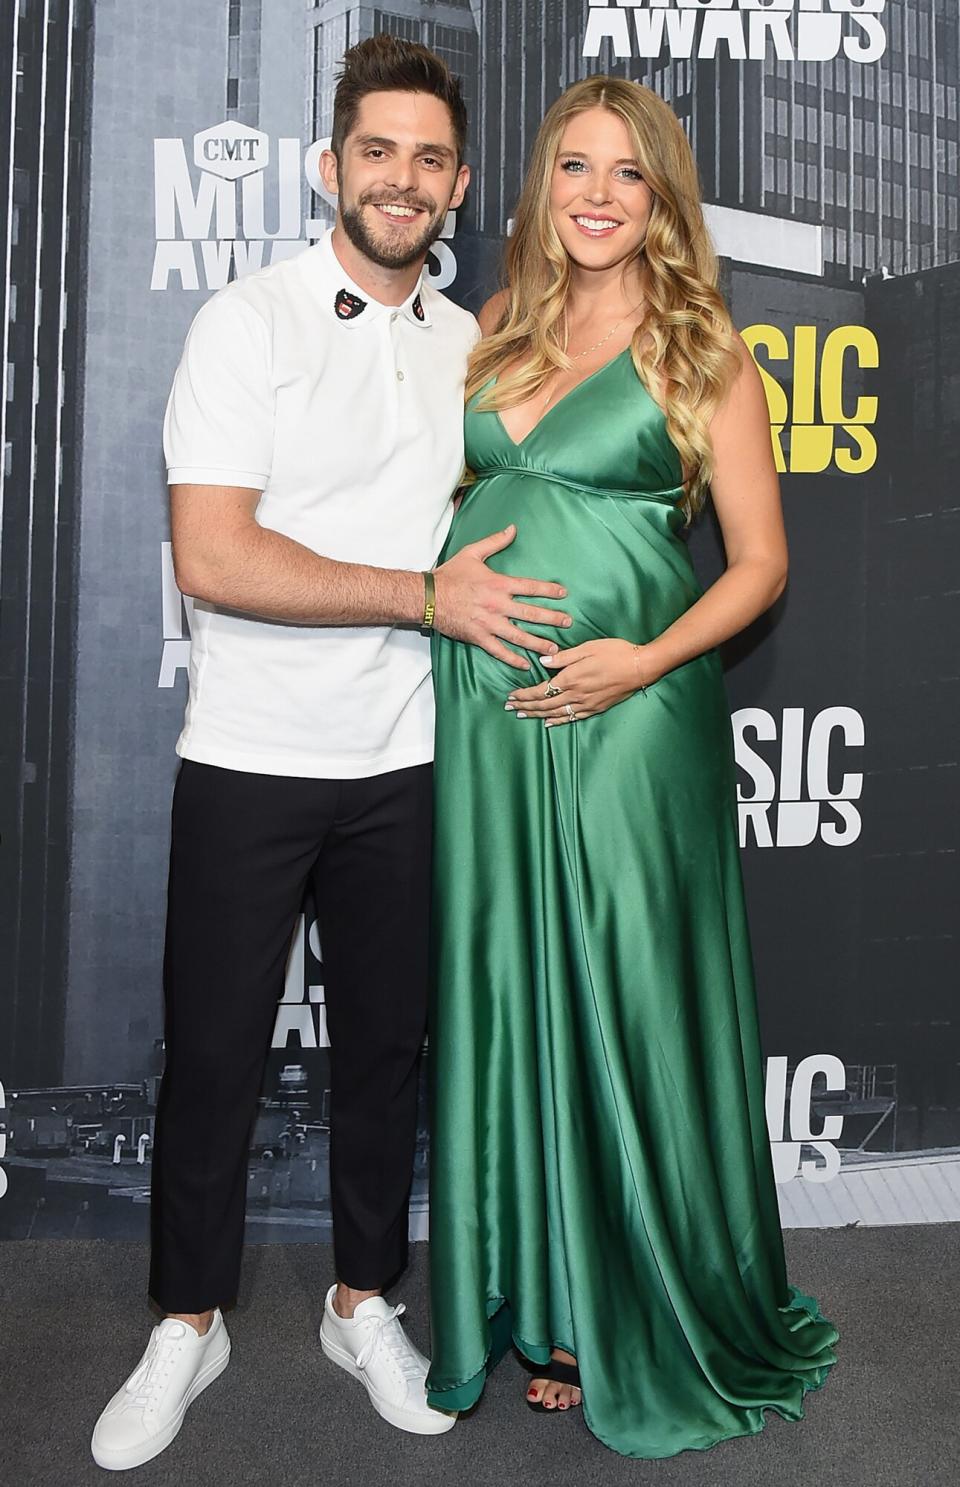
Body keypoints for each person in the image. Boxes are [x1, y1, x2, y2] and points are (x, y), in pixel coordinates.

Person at [91, 36, 570, 1472]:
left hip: (414, 757)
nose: (403, 179)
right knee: (218, 1060)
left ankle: (364, 1299)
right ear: (331, 167)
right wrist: (423, 597)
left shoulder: (473, 345)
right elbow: (216, 554)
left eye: (431, 158)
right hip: (248, 752)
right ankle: (189, 1318)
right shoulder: (249, 324)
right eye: (379, 151)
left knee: (387, 1057)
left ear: (461, 183)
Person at [425, 76, 839, 1459]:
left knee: (626, 992)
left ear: (661, 198)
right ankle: (546, 1304)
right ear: (538, 186)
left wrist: (642, 661)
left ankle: (642, 1306)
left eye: (627, 174)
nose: (597, 195)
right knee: (517, 986)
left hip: (627, 723)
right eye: (572, 168)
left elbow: (763, 565)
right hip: (491, 724)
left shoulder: (702, 347)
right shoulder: (493, 329)